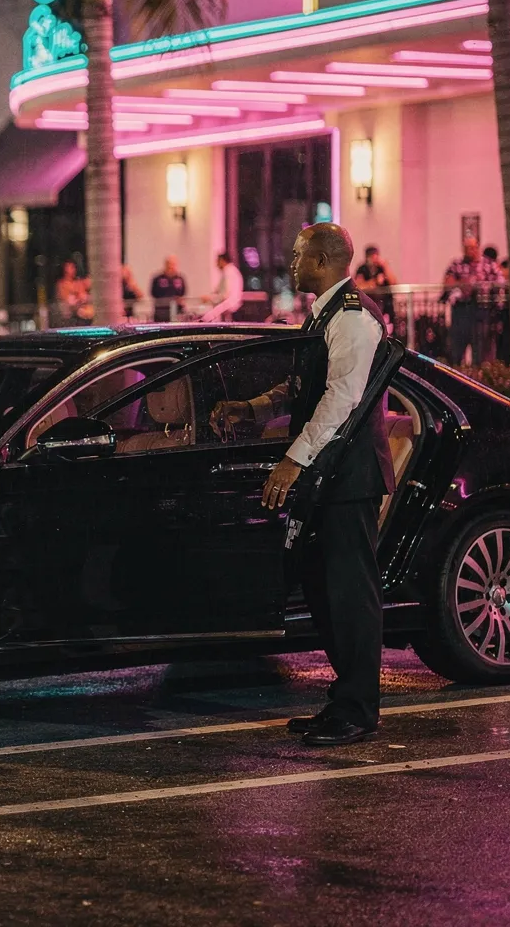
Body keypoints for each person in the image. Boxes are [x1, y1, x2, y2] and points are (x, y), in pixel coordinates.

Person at [213, 223, 391, 746]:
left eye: (298, 254)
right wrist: (253, 406)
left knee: (351, 594)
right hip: (329, 474)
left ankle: (359, 708)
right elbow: (301, 384)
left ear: (324, 258)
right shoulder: (326, 314)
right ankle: (346, 699)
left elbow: (341, 401)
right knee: (322, 588)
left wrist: (292, 462)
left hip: (351, 476)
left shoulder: (354, 318)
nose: (290, 262)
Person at [443, 237, 503, 365]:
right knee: (457, 349)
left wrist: (480, 286)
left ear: (478, 247)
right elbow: (447, 282)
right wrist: (463, 284)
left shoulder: (488, 264)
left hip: (482, 311)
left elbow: (500, 281)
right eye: (467, 248)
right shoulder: (457, 264)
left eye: (473, 247)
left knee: (480, 350)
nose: (470, 251)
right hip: (461, 310)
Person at [200, 252, 244, 321]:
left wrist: (210, 298)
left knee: (206, 318)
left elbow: (225, 294)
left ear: (222, 261)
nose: (216, 265)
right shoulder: (231, 271)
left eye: (218, 261)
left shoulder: (229, 272)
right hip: (231, 305)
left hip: (230, 306)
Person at [151, 257, 187, 321]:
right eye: (169, 264)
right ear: (165, 265)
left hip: (177, 309)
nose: (171, 266)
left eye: (173, 264)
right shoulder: (158, 278)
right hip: (162, 310)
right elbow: (153, 293)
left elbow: (183, 292)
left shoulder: (180, 278)